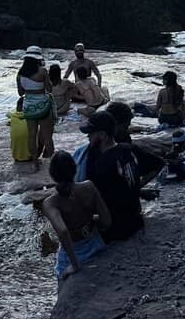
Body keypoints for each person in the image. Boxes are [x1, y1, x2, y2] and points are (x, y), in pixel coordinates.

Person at [73, 112, 144, 242]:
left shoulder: (101, 165)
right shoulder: (129, 149)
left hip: (116, 231)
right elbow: (158, 165)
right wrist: (138, 188)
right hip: (136, 221)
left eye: (91, 133)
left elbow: (92, 203)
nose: (88, 136)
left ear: (103, 136)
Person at [42, 151, 112, 279]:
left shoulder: (50, 203)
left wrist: (74, 265)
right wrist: (93, 222)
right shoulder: (89, 187)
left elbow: (63, 231)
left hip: (73, 254)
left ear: (52, 175)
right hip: (95, 245)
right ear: (75, 170)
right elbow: (106, 222)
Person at [108, 102, 165, 183]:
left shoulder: (123, 138)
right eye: (125, 126)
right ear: (116, 123)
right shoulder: (106, 144)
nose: (125, 130)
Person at [17, 54, 55, 171]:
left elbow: (20, 93)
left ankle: (35, 162)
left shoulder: (20, 73)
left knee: (32, 135)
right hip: (42, 106)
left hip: (28, 106)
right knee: (47, 135)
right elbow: (49, 89)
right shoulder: (42, 71)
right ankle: (53, 162)